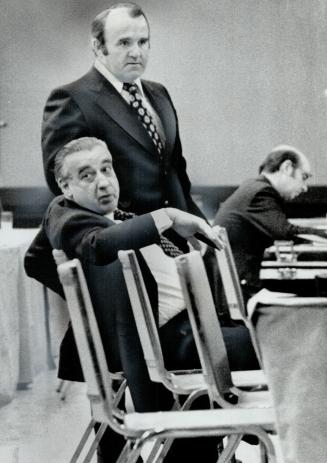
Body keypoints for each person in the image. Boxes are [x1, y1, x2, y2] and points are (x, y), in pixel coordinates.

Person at [25, 137, 259, 462]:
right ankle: (253, 424)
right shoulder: (67, 215)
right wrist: (170, 216)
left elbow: (33, 261)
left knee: (260, 334)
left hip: (183, 330)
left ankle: (232, 434)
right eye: (87, 175)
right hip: (166, 345)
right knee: (269, 341)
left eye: (107, 169)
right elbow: (96, 245)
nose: (104, 181)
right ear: (65, 186)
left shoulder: (112, 213)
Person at [41, 2, 204, 251]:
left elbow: (175, 171)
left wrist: (200, 226)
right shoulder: (71, 99)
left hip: (178, 238)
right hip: (123, 243)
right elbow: (63, 182)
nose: (136, 52)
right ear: (98, 47)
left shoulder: (159, 94)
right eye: (124, 43)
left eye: (143, 42)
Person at [212, 144, 327, 301]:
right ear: (287, 167)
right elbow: (286, 232)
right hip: (237, 297)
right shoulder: (261, 192)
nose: (305, 188)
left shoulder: (253, 186)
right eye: (304, 177)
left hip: (231, 290)